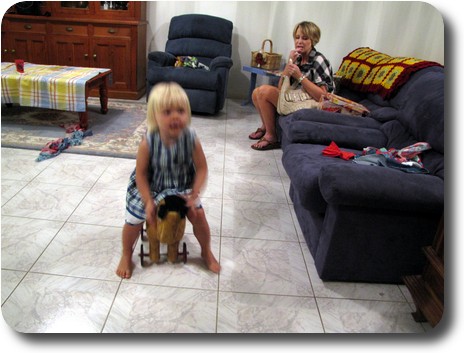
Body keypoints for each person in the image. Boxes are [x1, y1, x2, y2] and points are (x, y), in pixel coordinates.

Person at [116, 82, 220, 279]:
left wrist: (195, 192)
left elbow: (202, 168)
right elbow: (141, 174)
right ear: (155, 116)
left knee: (199, 216)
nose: (175, 116)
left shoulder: (191, 138)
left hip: (181, 184)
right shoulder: (149, 142)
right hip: (151, 187)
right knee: (133, 221)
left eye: (180, 111)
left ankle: (206, 250)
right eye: (167, 112)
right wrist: (147, 201)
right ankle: (126, 253)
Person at [249, 21, 334, 150]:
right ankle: (266, 127)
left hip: (311, 102)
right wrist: (289, 65)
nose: (299, 41)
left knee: (264, 91)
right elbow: (280, 88)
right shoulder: (298, 58)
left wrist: (300, 76)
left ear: (313, 40)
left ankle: (272, 136)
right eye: (297, 37)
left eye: (305, 38)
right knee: (256, 93)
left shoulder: (319, 60)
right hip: (295, 98)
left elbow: (324, 96)